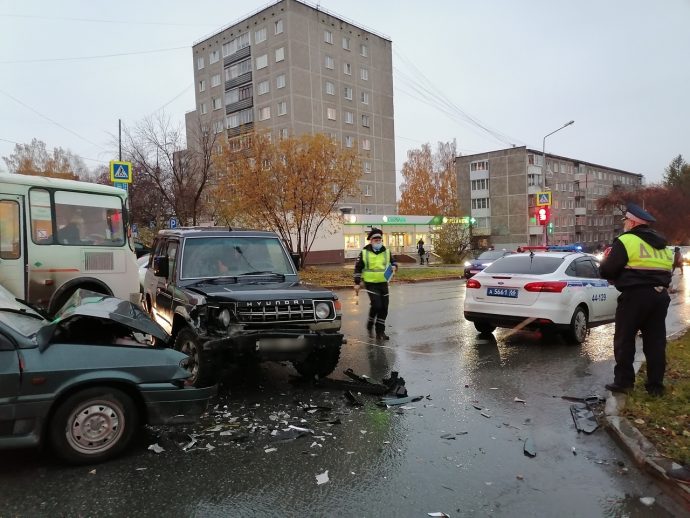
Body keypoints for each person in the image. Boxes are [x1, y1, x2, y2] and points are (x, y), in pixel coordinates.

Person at [599, 203, 673, 397]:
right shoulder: (663, 244)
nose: (624, 224)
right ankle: (655, 387)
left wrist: (609, 261)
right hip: (660, 296)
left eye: (625, 221)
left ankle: (624, 382)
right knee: (656, 342)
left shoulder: (627, 241)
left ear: (632, 222)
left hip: (635, 296)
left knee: (624, 339)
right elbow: (668, 270)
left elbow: (607, 270)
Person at [354, 228, 398, 340]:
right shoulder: (364, 252)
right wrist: (357, 283)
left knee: (384, 308)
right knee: (377, 305)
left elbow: (394, 262)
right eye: (375, 239)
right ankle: (370, 324)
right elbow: (358, 268)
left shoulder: (386, 251)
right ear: (371, 240)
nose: (378, 241)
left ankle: (380, 332)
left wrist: (394, 267)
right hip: (371, 283)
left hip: (383, 282)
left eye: (379, 239)